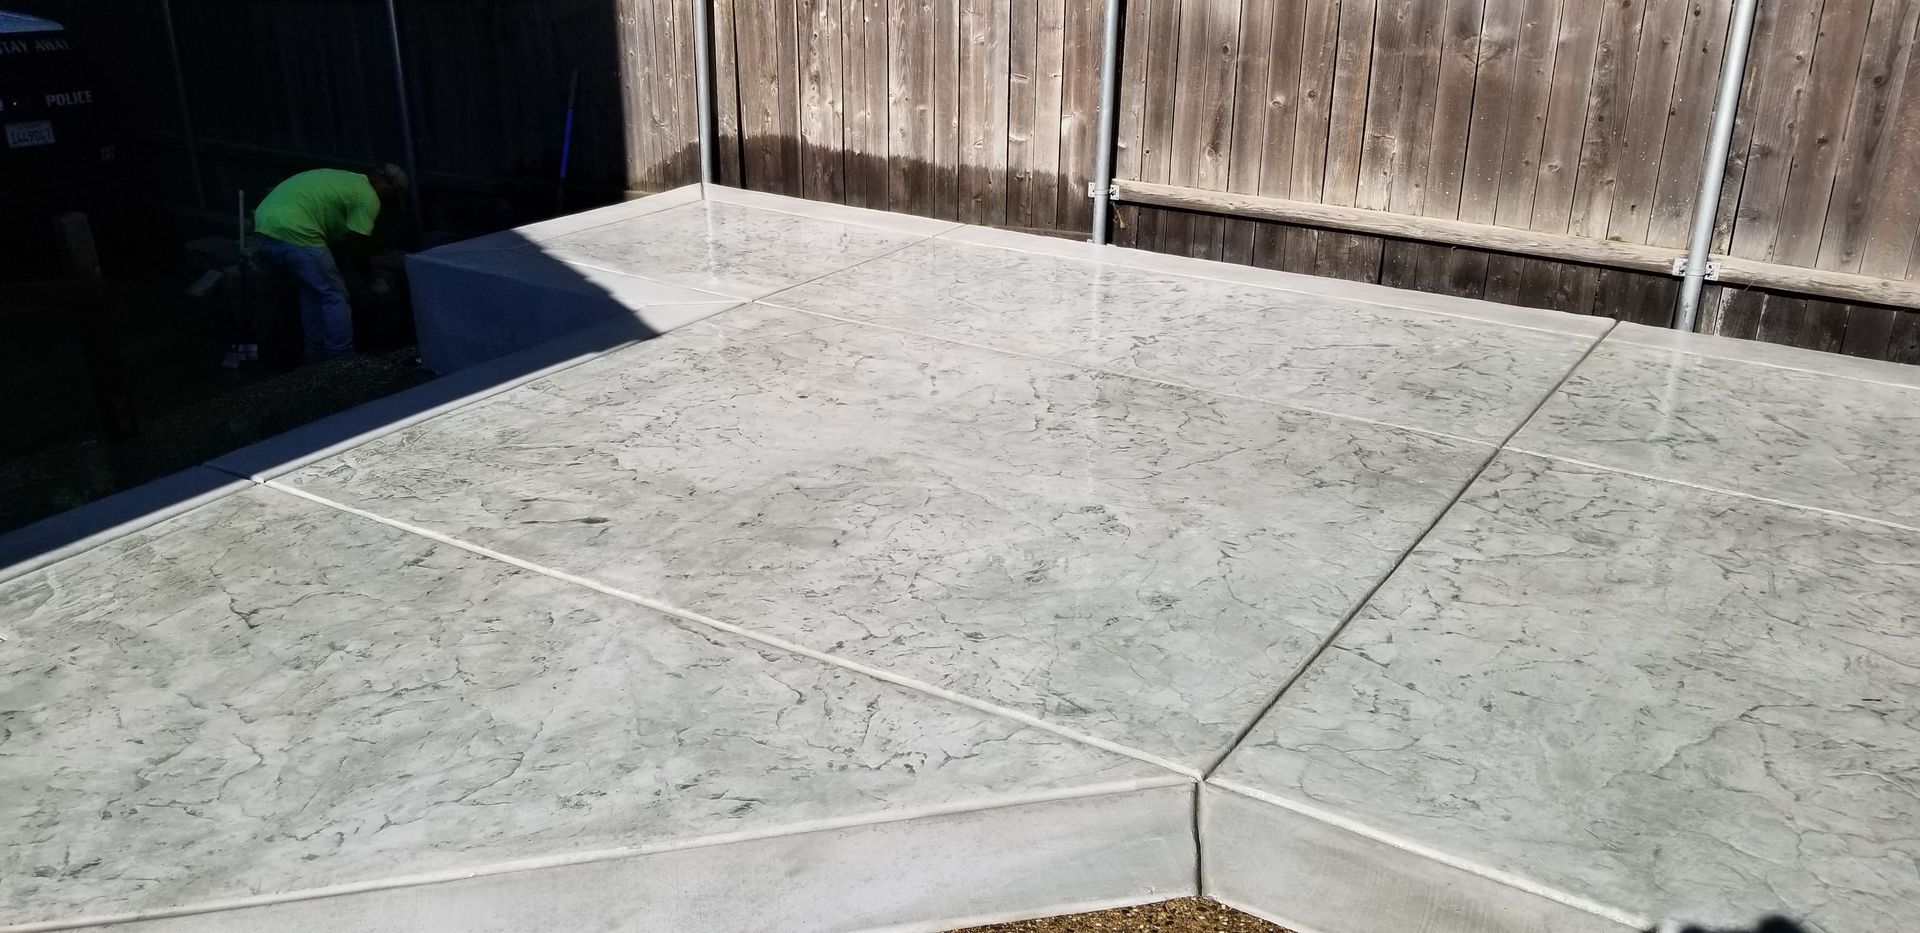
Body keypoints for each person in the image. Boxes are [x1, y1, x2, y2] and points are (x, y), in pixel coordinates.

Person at [252, 164, 407, 361]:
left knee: (312, 292)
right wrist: (367, 276)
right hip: (297, 230)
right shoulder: (368, 198)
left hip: (266, 226)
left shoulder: (350, 181)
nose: (387, 205)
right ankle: (341, 358)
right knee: (335, 295)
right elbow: (358, 246)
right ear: (389, 188)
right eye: (392, 199)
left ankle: (315, 355)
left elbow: (340, 238)